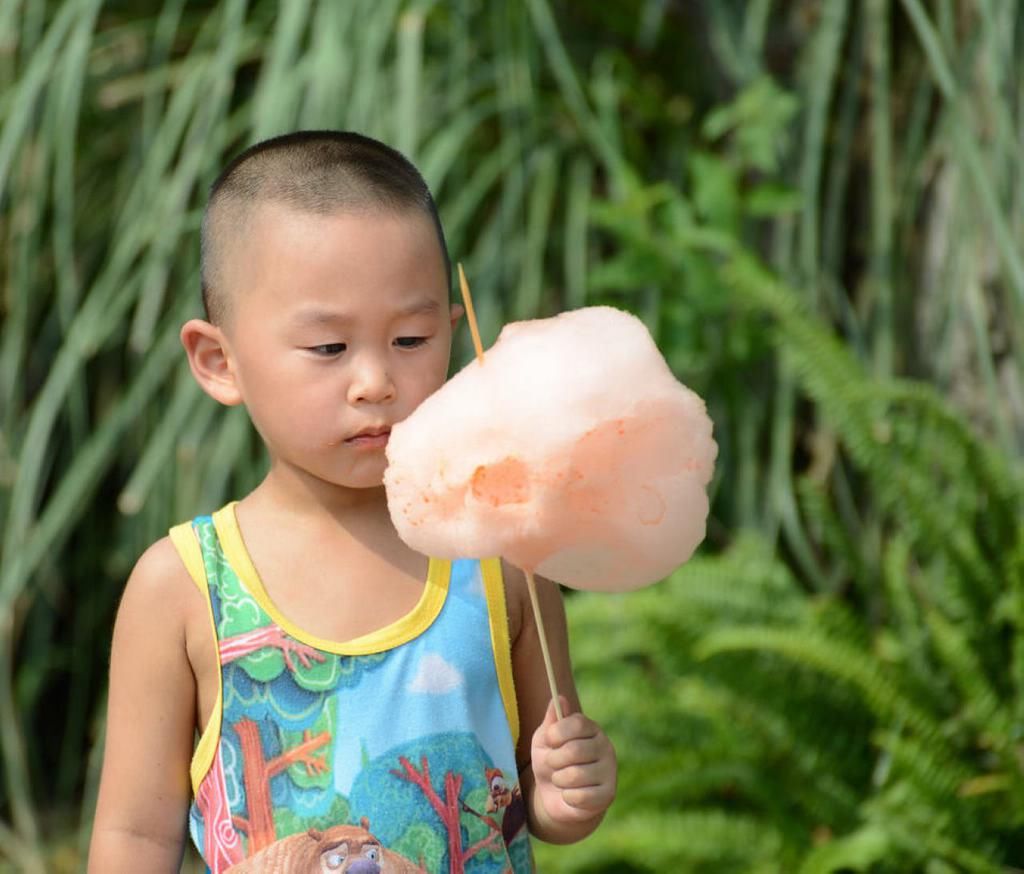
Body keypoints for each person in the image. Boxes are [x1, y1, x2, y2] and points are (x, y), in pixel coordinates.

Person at [88, 130, 617, 873]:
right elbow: (135, 836)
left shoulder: (502, 564)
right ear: (219, 360)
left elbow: (530, 794)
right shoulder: (181, 588)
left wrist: (568, 797)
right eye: (330, 349)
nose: (376, 381)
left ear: (454, 338)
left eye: (411, 337)